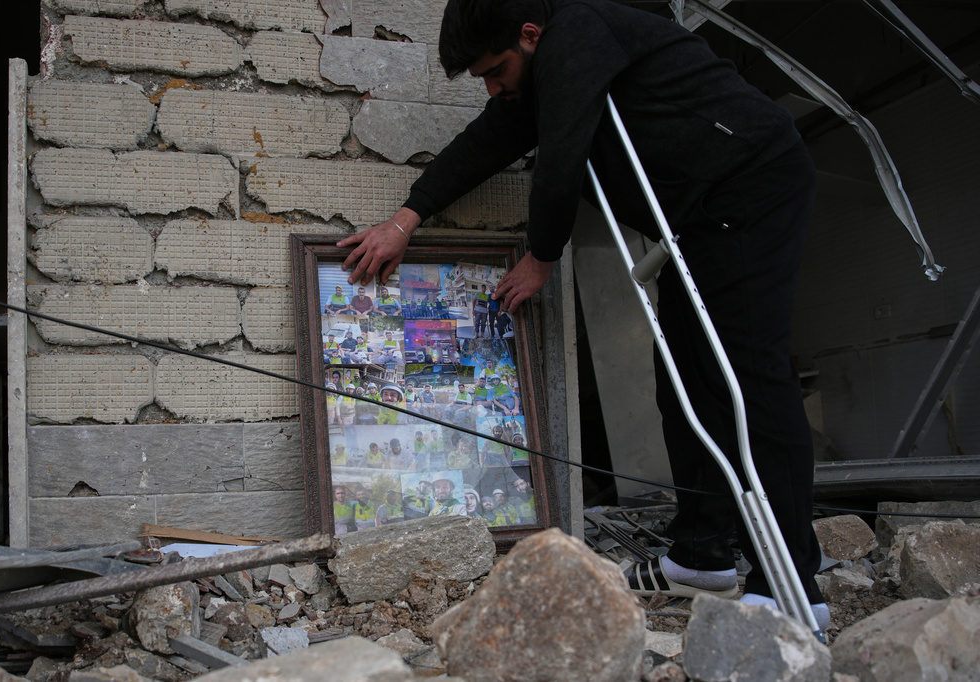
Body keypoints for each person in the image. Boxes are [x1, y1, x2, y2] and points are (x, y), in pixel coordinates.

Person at [336, 0, 827, 626]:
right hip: (700, 221)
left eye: (496, 71)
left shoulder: (577, 34)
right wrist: (406, 219)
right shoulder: (539, 77)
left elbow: (562, 158)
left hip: (753, 188)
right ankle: (703, 553)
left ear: (531, 36)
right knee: (685, 381)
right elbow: (486, 142)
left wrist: (541, 258)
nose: (493, 89)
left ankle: (796, 584)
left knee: (748, 380)